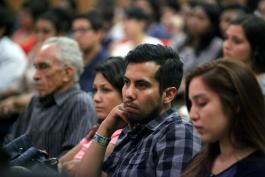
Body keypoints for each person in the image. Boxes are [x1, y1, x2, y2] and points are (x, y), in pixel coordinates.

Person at [77, 44, 201, 177]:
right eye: (126, 82)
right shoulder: (130, 126)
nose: (129, 93)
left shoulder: (177, 132)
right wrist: (104, 130)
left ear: (168, 94)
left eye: (141, 85)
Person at [4, 37, 97, 157]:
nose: (35, 76)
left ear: (67, 73)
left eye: (44, 67)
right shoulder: (36, 99)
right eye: (36, 67)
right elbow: (11, 143)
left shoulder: (80, 103)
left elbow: (69, 162)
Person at [181, 59, 265, 177]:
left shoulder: (258, 170)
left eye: (202, 103)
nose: (193, 115)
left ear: (235, 104)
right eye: (191, 104)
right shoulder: (200, 160)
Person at [58, 57, 125, 176]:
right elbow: (59, 164)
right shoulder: (96, 129)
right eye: (95, 90)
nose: (96, 98)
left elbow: (79, 171)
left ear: (124, 93)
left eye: (106, 90)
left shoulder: (123, 133)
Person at [223, 14, 265, 95]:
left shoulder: (262, 85)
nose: (226, 45)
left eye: (236, 41)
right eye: (226, 38)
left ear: (256, 49)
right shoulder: (218, 75)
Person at [72, 9, 109, 93]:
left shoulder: (107, 65)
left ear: (98, 33)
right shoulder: (72, 61)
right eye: (74, 31)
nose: (76, 35)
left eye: (82, 30)